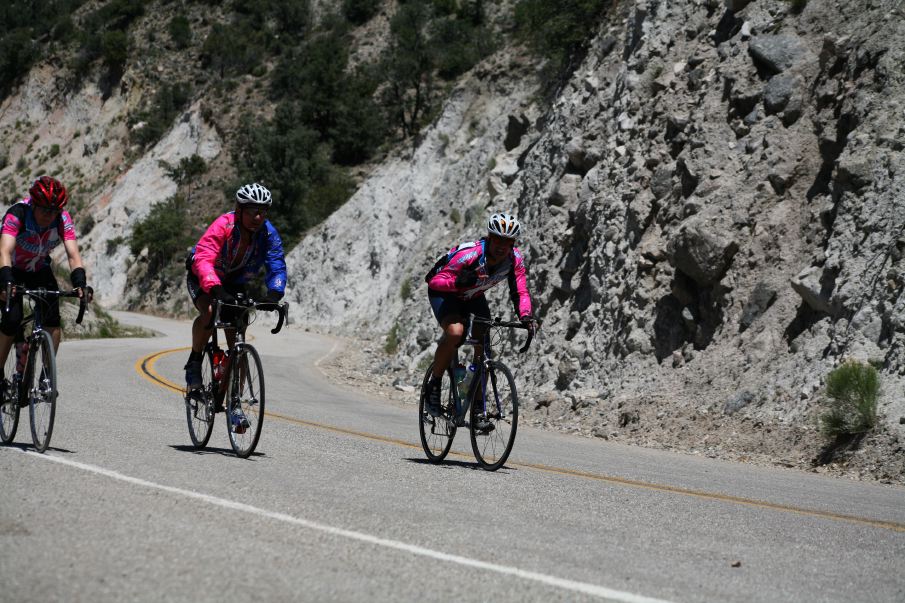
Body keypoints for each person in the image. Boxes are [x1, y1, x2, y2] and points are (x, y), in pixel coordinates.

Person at [424, 212, 537, 419]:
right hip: (446, 294)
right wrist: (456, 282)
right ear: (489, 237)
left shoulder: (515, 260)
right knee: (457, 333)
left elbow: (520, 291)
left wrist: (526, 317)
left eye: (508, 241)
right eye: (498, 239)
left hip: (472, 295)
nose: (502, 246)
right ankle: (434, 385)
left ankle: (477, 407)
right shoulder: (470, 254)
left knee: (483, 349)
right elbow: (432, 280)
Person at [184, 183, 287, 405]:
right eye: (251, 211)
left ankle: (235, 402)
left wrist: (274, 294)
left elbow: (276, 264)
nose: (257, 217)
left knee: (237, 339)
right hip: (202, 274)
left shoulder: (268, 233)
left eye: (262, 211)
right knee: (210, 311)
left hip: (234, 281)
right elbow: (204, 257)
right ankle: (194, 362)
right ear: (239, 210)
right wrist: (215, 288)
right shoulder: (224, 225)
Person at [0, 176, 93, 376]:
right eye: (44, 210)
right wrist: (6, 281)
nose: (49, 216)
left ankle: (46, 375)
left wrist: (80, 284)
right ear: (34, 204)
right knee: (12, 320)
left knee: (52, 320)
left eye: (54, 211)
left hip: (39, 268)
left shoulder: (62, 219)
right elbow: (5, 251)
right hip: (10, 268)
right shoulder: (17, 214)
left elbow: (73, 255)